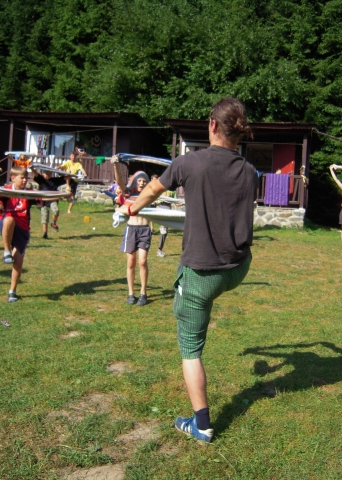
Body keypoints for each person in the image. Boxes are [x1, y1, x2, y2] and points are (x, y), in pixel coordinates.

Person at [120, 97, 258, 443]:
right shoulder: (249, 172)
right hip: (237, 267)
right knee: (205, 297)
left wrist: (129, 208)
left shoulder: (189, 163)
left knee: (191, 348)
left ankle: (202, 425)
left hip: (202, 274)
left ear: (212, 125)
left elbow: (152, 190)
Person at [0, 166, 37, 303]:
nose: (24, 181)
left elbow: (43, 199)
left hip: (23, 228)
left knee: (18, 260)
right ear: (13, 178)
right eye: (21, 178)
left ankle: (12, 291)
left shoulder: (29, 193)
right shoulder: (6, 190)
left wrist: (64, 195)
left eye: (26, 178)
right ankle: (6, 251)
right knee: (9, 219)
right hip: (6, 223)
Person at [112, 160, 152, 306]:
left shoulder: (149, 195)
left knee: (142, 261)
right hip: (131, 230)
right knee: (131, 262)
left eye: (144, 181)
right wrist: (116, 166)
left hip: (144, 230)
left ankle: (143, 293)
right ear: (135, 181)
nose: (141, 183)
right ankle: (131, 293)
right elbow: (119, 182)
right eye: (139, 181)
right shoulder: (129, 193)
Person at [32, 168, 66, 239]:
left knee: (56, 210)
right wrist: (31, 168)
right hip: (44, 201)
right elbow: (35, 173)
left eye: (50, 174)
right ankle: (45, 234)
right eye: (47, 174)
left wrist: (64, 171)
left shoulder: (55, 181)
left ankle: (53, 223)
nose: (48, 175)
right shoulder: (41, 180)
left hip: (53, 200)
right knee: (45, 217)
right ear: (43, 174)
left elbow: (66, 178)